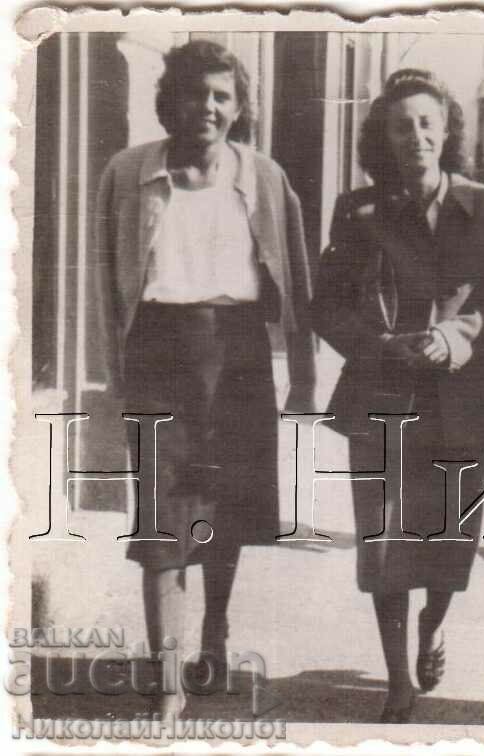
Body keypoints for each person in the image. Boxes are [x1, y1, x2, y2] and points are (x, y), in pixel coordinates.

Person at [93, 40, 315, 720]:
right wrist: (114, 377)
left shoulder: (266, 177)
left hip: (240, 354)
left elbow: (296, 283)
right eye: (195, 94)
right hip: (159, 352)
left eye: (222, 96)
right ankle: (168, 680)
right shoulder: (127, 173)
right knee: (163, 522)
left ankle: (214, 626)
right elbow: (107, 281)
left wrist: (301, 377)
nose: (208, 108)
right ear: (170, 101)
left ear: (239, 106)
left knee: (222, 512)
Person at [311, 68, 484, 723]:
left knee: (451, 544)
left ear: (449, 128)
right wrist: (381, 346)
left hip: (461, 400)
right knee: (384, 543)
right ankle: (398, 677)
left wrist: (457, 337)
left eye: (428, 122)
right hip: (381, 398)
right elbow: (326, 306)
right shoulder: (360, 211)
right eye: (402, 125)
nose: (417, 135)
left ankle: (433, 624)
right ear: (385, 136)